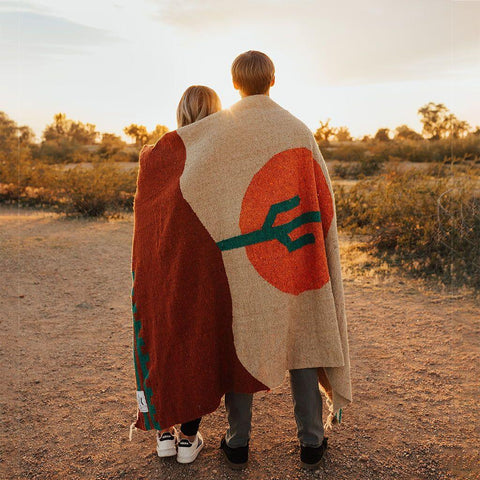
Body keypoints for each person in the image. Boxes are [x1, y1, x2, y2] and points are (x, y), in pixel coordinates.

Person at [154, 85, 222, 464]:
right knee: (198, 341)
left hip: (162, 263)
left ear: (181, 111)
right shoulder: (218, 152)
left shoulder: (161, 150)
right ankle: (187, 439)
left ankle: (164, 432)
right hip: (204, 266)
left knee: (164, 338)